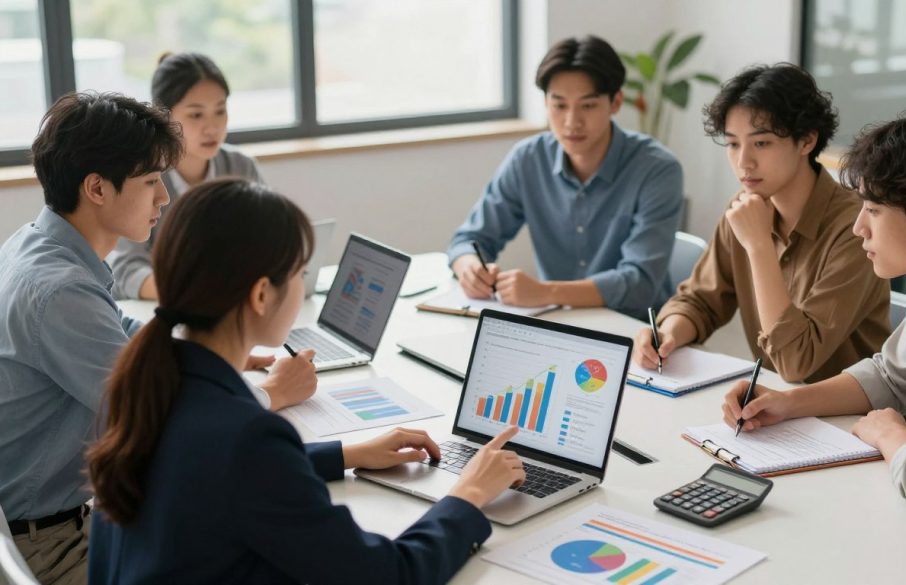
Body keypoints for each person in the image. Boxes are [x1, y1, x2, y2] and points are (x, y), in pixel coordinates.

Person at [86, 179, 526, 584]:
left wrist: (347, 453)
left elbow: (216, 474)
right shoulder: (247, 437)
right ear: (261, 295)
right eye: (299, 273)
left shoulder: (139, 386)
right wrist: (467, 496)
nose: (302, 286)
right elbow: (387, 576)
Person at [0, 93, 312, 585]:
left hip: (64, 521)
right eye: (150, 182)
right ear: (97, 188)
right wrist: (271, 393)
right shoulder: (58, 291)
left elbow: (131, 341)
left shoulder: (42, 247)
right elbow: (161, 421)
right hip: (51, 547)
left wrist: (219, 356)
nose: (164, 198)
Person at [721, 109, 906, 517]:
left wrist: (891, 434)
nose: (858, 227)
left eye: (874, 211)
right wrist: (788, 402)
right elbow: (890, 376)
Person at [635, 63, 889, 383]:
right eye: (733, 144)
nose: (744, 162)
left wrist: (758, 246)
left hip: (847, 419)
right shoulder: (745, 209)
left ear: (807, 141)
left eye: (762, 143)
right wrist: (667, 334)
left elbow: (797, 362)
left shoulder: (855, 227)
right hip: (775, 406)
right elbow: (700, 301)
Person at [448, 35, 683, 317]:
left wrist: (546, 292)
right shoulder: (528, 159)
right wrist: (470, 268)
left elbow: (639, 283)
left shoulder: (657, 170)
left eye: (588, 105)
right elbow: (469, 239)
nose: (572, 122)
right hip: (557, 322)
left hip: (635, 331)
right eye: (559, 105)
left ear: (616, 102)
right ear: (546, 104)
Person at [109, 52, 263, 300]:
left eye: (220, 111)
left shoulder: (241, 168)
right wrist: (196, 294)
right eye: (196, 114)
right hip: (165, 311)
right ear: (165, 116)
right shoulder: (142, 176)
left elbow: (268, 242)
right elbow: (126, 269)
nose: (212, 127)